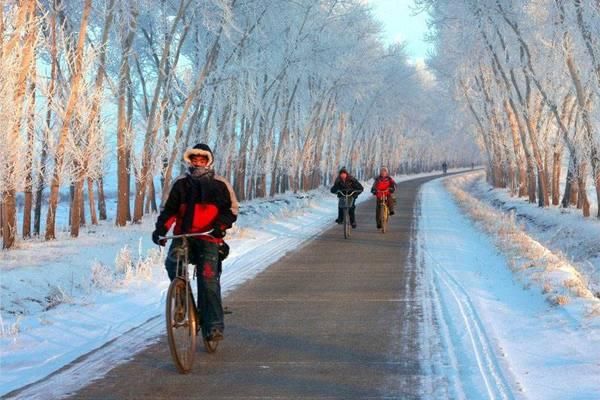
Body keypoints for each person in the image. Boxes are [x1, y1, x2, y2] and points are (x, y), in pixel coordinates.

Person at [152, 143, 238, 342]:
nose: (198, 163)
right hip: (184, 236)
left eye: (202, 159)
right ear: (189, 161)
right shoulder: (181, 183)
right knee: (172, 263)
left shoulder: (220, 184)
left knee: (208, 280)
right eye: (195, 159)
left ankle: (213, 326)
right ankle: (182, 302)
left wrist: (221, 226)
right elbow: (169, 210)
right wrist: (161, 230)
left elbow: (231, 210)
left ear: (209, 161)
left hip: (209, 236)